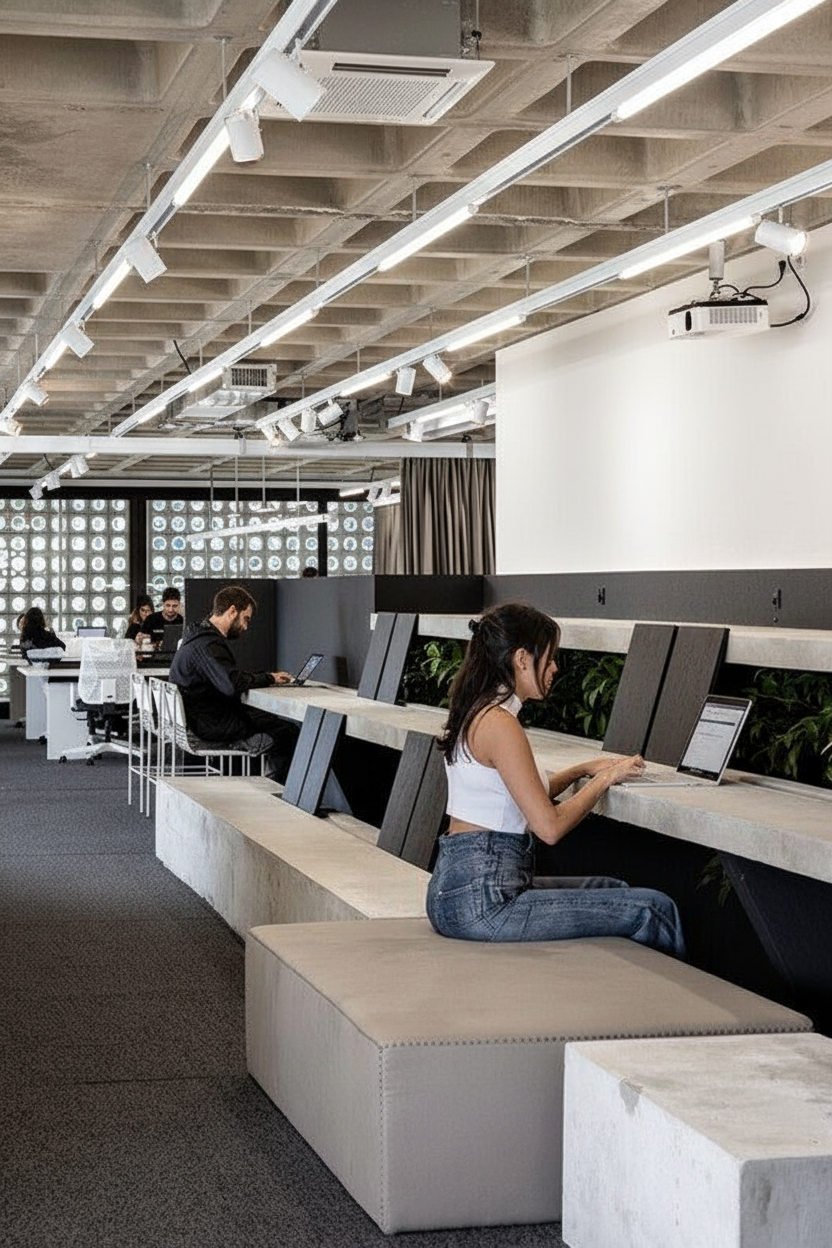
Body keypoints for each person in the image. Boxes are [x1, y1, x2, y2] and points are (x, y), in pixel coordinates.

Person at [427, 603, 685, 958]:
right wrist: (605, 780)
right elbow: (549, 827)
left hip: (457, 890)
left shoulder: (478, 711)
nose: (554, 668)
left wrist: (583, 770)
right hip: (486, 903)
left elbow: (531, 792)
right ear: (522, 659)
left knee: (611, 887)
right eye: (549, 658)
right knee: (654, 909)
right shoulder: (500, 724)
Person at [169, 584, 297, 778]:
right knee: (288, 731)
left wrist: (265, 676)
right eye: (246, 619)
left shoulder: (195, 638)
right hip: (210, 725)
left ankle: (265, 780)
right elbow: (231, 685)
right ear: (232, 611)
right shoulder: (208, 644)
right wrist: (269, 677)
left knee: (269, 720)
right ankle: (280, 789)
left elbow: (226, 676)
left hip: (200, 718)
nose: (245, 627)